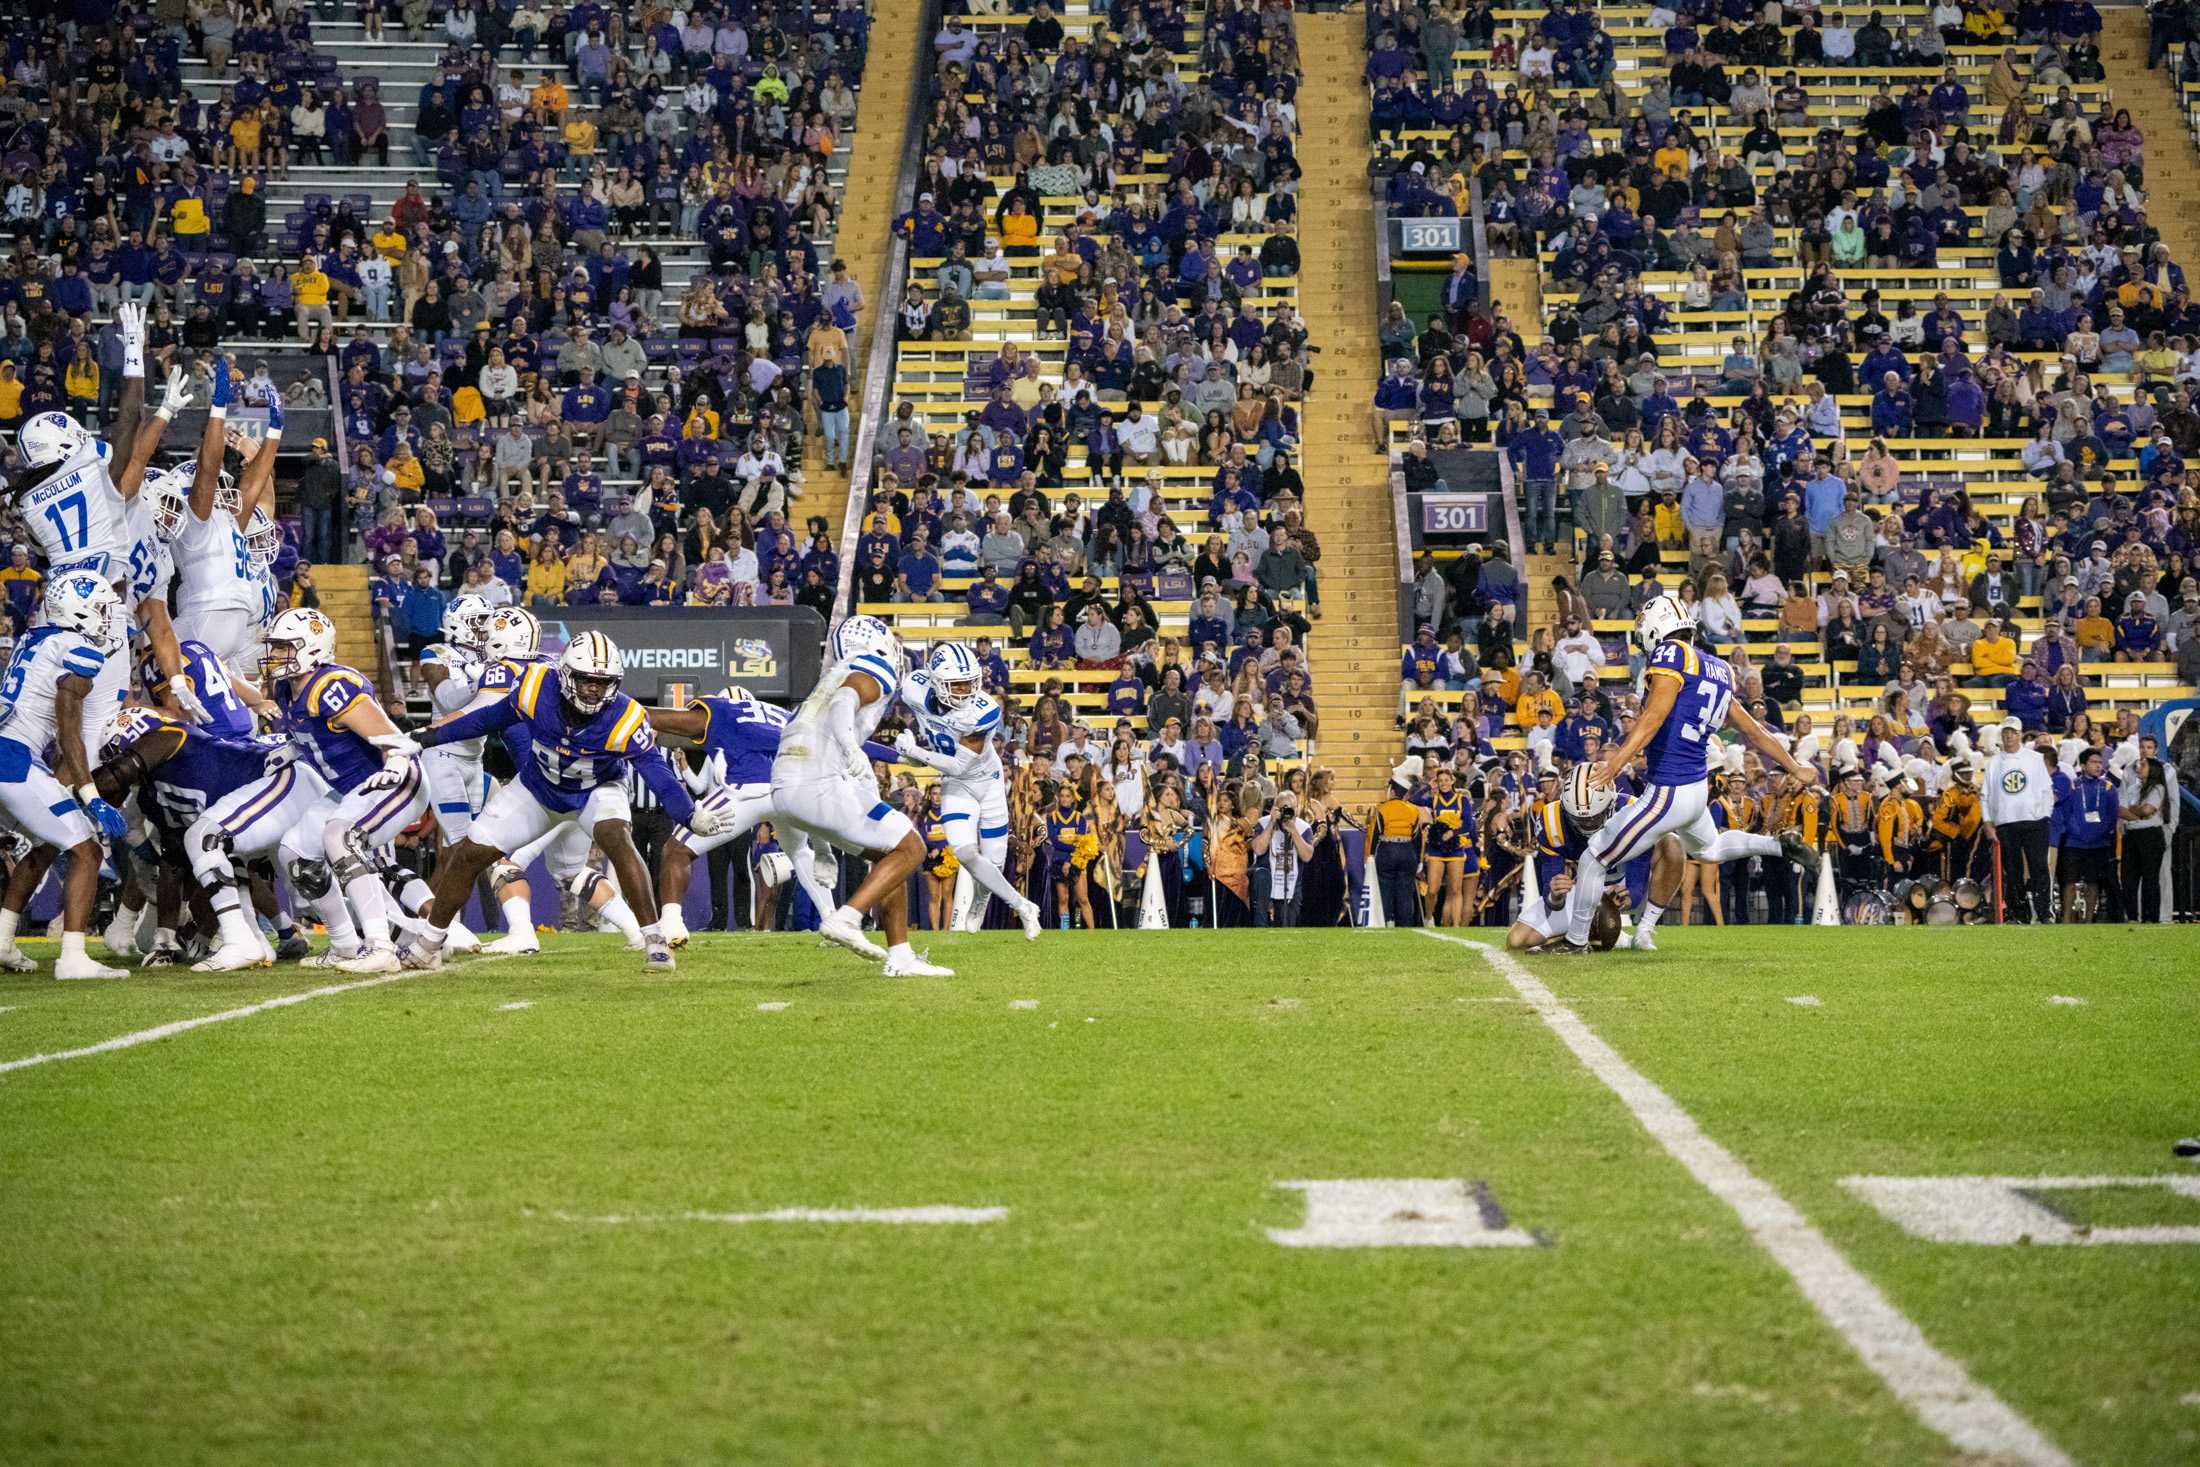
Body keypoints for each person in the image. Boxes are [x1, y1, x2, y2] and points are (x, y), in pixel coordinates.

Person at [403, 630, 699, 971]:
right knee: (469, 854)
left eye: (603, 682)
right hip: (537, 788)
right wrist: (428, 737)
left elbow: (658, 774)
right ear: (566, 674)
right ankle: (428, 943)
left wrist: (689, 815)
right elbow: (485, 719)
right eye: (586, 680)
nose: (594, 689)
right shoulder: (535, 688)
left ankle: (654, 941)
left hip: (596, 790)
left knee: (616, 837)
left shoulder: (626, 715)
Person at [1562, 597, 1821, 953]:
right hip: (1696, 787)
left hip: (1669, 788)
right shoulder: (1719, 668)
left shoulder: (1671, 656)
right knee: (1711, 848)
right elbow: (1756, 733)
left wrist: (1615, 763)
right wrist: (1795, 766)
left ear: (1656, 626)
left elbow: (1652, 719)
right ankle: (1777, 845)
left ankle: (1575, 943)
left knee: (1594, 857)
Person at [770, 615, 948, 975]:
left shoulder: (828, 678)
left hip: (787, 786)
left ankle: (900, 956)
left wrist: (821, 846)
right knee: (912, 848)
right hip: (816, 783)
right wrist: (850, 746)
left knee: (890, 853)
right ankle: (847, 918)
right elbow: (845, 702)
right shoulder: (872, 664)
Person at [0, 575, 132, 980]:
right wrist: (90, 793)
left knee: (44, 846)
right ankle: (73, 957)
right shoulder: (78, 649)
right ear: (79, 610)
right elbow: (68, 733)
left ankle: (2, 942)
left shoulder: (35, 638)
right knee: (88, 851)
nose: (108, 617)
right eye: (102, 607)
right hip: (14, 759)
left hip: (11, 751)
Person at [644, 685, 841, 947]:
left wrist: (623, 712)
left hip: (745, 793)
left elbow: (679, 725)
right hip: (788, 791)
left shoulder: (723, 711)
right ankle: (834, 922)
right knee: (800, 852)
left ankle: (671, 925)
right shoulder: (779, 714)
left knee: (677, 849)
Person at [893, 642, 1044, 937]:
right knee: (964, 852)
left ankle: (980, 900)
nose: (965, 691)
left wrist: (915, 752)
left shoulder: (983, 711)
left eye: (970, 684)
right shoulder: (914, 689)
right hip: (957, 787)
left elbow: (957, 765)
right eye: (957, 685)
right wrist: (909, 750)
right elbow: (936, 745)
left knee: (995, 862)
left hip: (986, 781)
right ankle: (1024, 906)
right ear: (936, 682)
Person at [1368, 757, 1429, 925]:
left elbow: (1374, 835)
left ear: (1393, 791)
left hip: (1387, 850)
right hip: (1408, 852)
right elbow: (1418, 838)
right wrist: (1419, 861)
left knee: (1385, 890)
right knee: (1405, 893)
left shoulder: (1382, 809)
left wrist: (1370, 857)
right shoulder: (1413, 810)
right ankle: (1405, 928)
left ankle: (1386, 923)